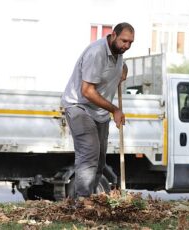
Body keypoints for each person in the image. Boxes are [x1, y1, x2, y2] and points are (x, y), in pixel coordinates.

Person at [61, 22, 135, 198]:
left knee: (100, 160)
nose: (127, 46)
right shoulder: (96, 53)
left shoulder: (118, 52)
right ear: (113, 35)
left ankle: (89, 198)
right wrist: (115, 110)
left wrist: (122, 70)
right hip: (79, 107)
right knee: (89, 152)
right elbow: (87, 91)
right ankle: (82, 201)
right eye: (124, 40)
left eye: (131, 42)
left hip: (99, 112)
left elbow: (116, 68)